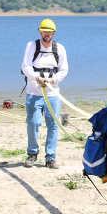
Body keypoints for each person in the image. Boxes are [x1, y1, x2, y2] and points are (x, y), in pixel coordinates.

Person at [21, 18, 69, 169]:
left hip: (53, 94)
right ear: (40, 31)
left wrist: (54, 80)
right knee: (33, 123)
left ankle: (50, 157)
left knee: (53, 125)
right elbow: (25, 67)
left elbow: (64, 69)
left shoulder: (59, 48)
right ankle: (32, 153)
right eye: (44, 31)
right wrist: (36, 77)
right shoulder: (31, 46)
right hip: (33, 92)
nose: (46, 34)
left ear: (53, 33)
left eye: (49, 32)